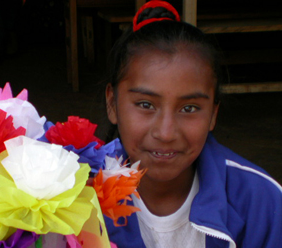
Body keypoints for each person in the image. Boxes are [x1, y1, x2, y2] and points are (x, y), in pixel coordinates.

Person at [103, 0, 282, 247]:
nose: (165, 133)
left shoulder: (262, 202)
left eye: (189, 108)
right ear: (112, 104)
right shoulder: (71, 196)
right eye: (146, 105)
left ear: (213, 115)